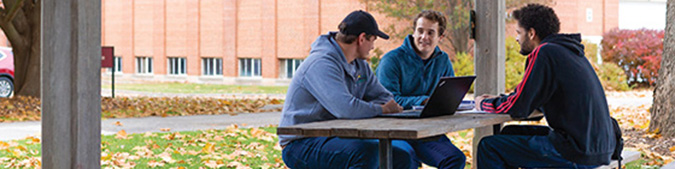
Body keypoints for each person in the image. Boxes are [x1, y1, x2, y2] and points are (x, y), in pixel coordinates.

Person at [474, 4, 621, 169]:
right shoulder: (568, 51)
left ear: (531, 33)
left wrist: (483, 103)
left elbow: (518, 108)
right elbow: (530, 99)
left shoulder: (544, 53)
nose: (517, 39)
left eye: (518, 33)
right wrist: (503, 100)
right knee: (508, 132)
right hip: (597, 146)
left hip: (577, 152)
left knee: (489, 147)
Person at [278, 10, 420, 169]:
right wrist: (380, 109)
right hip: (301, 143)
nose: (373, 47)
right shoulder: (321, 63)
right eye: (372, 40)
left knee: (401, 156)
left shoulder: (360, 65)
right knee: (363, 154)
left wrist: (372, 107)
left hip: (339, 136)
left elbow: (385, 97)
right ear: (361, 39)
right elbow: (345, 109)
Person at [376, 10, 465, 169]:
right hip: (395, 132)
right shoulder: (391, 60)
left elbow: (447, 97)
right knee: (406, 158)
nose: (424, 37)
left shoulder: (443, 61)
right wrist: (422, 100)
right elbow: (387, 101)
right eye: (420, 31)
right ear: (413, 32)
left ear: (440, 37)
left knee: (455, 159)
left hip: (427, 133)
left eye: (431, 32)